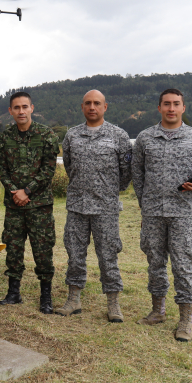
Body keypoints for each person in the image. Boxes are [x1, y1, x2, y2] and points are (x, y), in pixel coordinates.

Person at [132, 88, 192, 342]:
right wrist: (144, 202)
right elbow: (137, 174)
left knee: (182, 264)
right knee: (155, 262)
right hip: (153, 213)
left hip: (183, 214)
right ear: (159, 108)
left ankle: (185, 319)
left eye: (176, 104)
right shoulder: (145, 138)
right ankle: (158, 311)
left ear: (183, 108)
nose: (171, 108)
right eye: (166, 104)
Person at [57, 90, 133, 322]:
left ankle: (113, 303)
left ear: (105, 107)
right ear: (82, 107)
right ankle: (73, 300)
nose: (92, 107)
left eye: (97, 103)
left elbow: (126, 173)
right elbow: (70, 167)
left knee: (108, 255)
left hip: (106, 208)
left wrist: (106, 191)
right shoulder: (72, 135)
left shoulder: (119, 136)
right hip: (77, 207)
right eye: (88, 103)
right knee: (75, 254)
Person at [0, 92, 59, 314]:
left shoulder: (47, 135)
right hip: (14, 205)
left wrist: (27, 191)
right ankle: (13, 293)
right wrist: (14, 191)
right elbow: (0, 167)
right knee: (13, 249)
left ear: (32, 108)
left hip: (38, 205)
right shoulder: (4, 138)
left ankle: (46, 296)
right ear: (10, 111)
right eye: (16, 108)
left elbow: (48, 169)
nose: (21, 111)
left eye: (25, 107)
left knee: (43, 251)